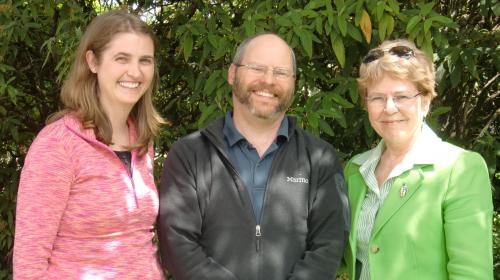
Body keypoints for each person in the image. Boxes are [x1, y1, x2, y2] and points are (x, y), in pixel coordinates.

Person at [158, 33, 349, 280]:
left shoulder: (320, 159)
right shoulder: (189, 155)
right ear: (232, 74)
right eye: (257, 68)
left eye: (281, 72)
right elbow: (177, 245)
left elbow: (329, 245)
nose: (268, 80)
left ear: (293, 83)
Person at [13, 10, 165, 279]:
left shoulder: (141, 141)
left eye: (145, 60)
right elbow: (29, 267)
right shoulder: (58, 145)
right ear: (93, 61)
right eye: (122, 59)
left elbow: (138, 242)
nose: (135, 71)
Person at [343, 39, 493, 280]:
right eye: (377, 98)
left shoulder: (461, 169)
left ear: (425, 101)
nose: (389, 108)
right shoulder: (356, 169)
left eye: (401, 96)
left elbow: (471, 275)